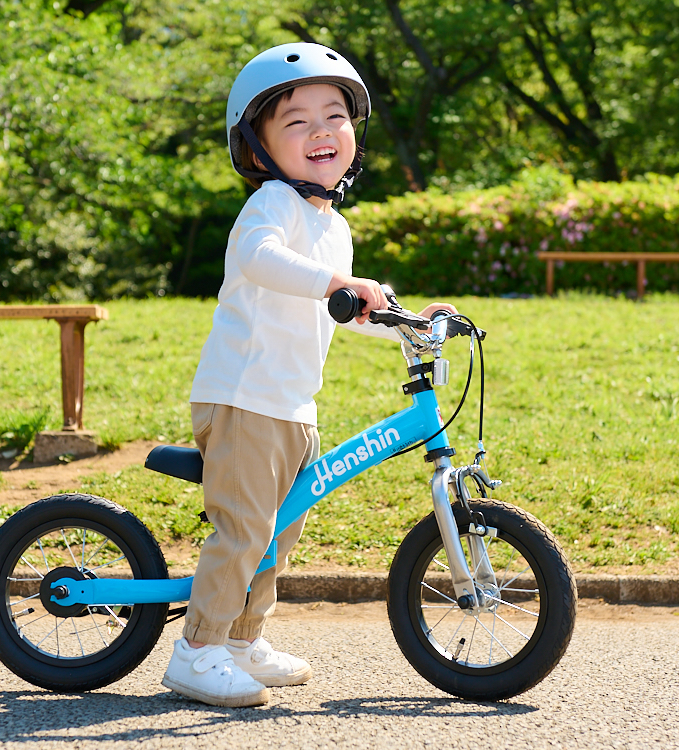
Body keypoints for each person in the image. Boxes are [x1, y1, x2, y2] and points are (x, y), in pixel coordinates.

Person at [161, 42, 457, 708]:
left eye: (335, 116)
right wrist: (334, 282)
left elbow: (345, 309)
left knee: (278, 534)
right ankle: (197, 651)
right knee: (245, 531)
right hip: (245, 399)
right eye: (296, 121)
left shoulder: (335, 228)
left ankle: (242, 640)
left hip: (293, 406)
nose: (321, 130)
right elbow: (261, 259)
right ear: (258, 147)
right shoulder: (271, 205)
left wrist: (407, 320)